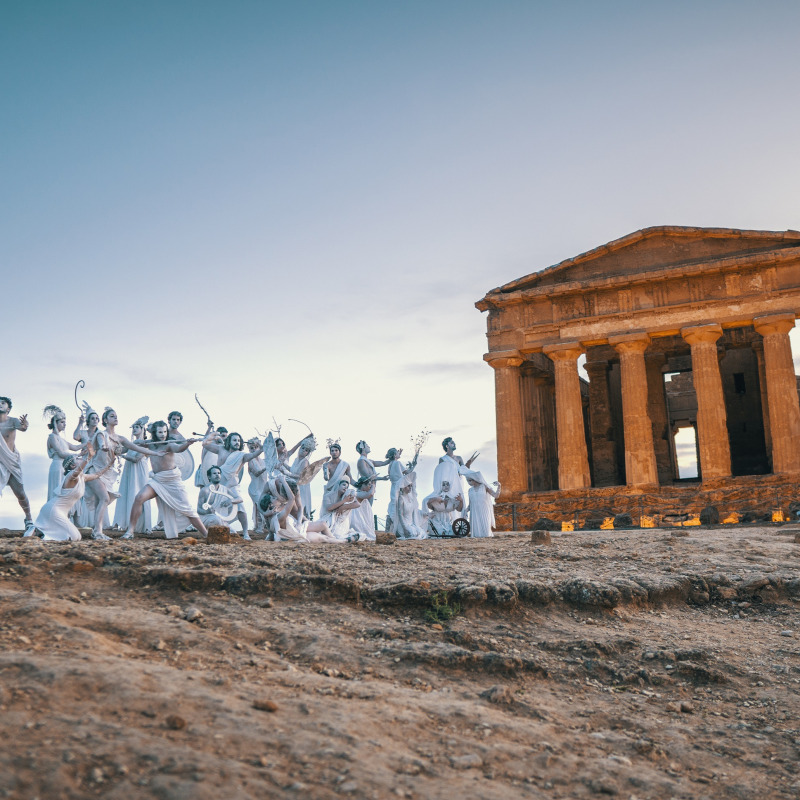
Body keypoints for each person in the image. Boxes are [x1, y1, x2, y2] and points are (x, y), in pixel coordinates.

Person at [126, 420, 208, 539]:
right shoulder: (151, 444)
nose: (163, 434)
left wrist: (187, 444)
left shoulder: (169, 444)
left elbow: (179, 448)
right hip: (157, 480)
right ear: (154, 432)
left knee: (187, 509)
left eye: (165, 431)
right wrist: (137, 441)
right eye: (160, 432)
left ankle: (206, 534)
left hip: (172, 480)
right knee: (139, 498)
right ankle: (130, 531)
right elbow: (136, 443)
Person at [34, 453, 114, 542]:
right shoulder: (71, 476)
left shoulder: (82, 477)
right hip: (53, 510)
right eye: (78, 458)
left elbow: (97, 475)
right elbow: (76, 472)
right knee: (75, 537)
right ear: (73, 465)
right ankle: (38, 531)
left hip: (60, 512)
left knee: (74, 537)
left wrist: (109, 464)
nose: (81, 458)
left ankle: (40, 532)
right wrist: (88, 457)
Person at [201, 431, 263, 540]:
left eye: (239, 441)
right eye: (234, 440)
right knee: (214, 509)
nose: (237, 442)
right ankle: (220, 529)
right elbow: (205, 444)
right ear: (229, 441)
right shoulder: (220, 449)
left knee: (240, 508)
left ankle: (245, 533)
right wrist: (213, 434)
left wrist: (260, 445)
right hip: (219, 484)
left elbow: (255, 454)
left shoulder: (241, 455)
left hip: (232, 484)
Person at [82, 407, 124, 540]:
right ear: (105, 420)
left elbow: (134, 446)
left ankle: (97, 531)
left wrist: (154, 451)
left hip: (106, 474)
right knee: (104, 498)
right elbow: (101, 443)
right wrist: (103, 447)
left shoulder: (118, 438)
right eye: (112, 416)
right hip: (94, 471)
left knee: (100, 501)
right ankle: (98, 532)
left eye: (116, 415)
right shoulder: (101, 434)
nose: (116, 418)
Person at [259, 474, 340, 543]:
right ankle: (271, 533)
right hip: (279, 512)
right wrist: (266, 513)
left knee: (306, 522)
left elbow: (300, 507)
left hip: (286, 510)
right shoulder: (271, 485)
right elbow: (260, 503)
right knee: (321, 528)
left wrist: (298, 523)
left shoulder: (295, 489)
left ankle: (308, 527)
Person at [0, 396, 35, 536]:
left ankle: (29, 520)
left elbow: (23, 428)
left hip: (12, 462)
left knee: (20, 493)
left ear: (8, 408)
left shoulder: (13, 421)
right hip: (0, 463)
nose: (0, 405)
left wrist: (25, 424)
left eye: (3, 403)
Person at [112, 416, 152, 534]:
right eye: (133, 427)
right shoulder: (131, 443)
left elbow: (136, 459)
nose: (134, 429)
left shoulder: (145, 444)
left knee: (139, 493)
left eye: (137, 427)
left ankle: (142, 525)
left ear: (142, 429)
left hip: (139, 472)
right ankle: (127, 523)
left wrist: (122, 456)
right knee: (128, 492)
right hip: (130, 470)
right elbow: (120, 450)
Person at [43, 406, 82, 501]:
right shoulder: (52, 437)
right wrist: (76, 456)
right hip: (57, 466)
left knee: (65, 492)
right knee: (57, 492)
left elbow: (75, 447)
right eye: (62, 422)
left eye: (65, 422)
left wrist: (88, 442)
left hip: (65, 466)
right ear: (55, 423)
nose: (64, 424)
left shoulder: (62, 439)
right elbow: (60, 453)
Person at [432, 437, 478, 501]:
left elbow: (464, 471)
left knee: (459, 500)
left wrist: (468, 464)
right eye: (451, 442)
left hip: (459, 483)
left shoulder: (459, 458)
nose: (454, 443)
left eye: (453, 442)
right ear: (447, 446)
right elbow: (441, 475)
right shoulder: (442, 459)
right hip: (448, 485)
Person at [385, 447, 417, 532]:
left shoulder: (391, 464)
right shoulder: (397, 463)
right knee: (400, 506)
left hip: (393, 487)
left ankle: (389, 528)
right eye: (398, 453)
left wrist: (399, 454)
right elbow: (407, 472)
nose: (399, 454)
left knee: (393, 506)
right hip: (399, 487)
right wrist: (414, 465)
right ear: (395, 455)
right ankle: (400, 528)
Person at [462, 469, 501, 538]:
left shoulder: (485, 487)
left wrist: (499, 486)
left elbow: (496, 496)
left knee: (486, 532)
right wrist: (466, 510)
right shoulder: (470, 490)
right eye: (467, 481)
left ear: (475, 479)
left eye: (470, 480)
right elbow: (471, 504)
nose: (468, 482)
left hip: (484, 511)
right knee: (477, 534)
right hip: (474, 513)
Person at [394, 472, 428, 540]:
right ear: (403, 487)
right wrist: (405, 528)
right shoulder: (401, 498)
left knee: (421, 533)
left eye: (411, 486)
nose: (410, 488)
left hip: (412, 524)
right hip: (404, 525)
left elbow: (415, 511)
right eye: (408, 486)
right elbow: (401, 515)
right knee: (413, 534)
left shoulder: (411, 498)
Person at [246, 437, 268, 534]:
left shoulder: (263, 461)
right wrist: (265, 468)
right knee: (260, 506)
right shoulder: (250, 460)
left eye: (256, 447)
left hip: (263, 487)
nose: (254, 449)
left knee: (260, 507)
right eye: (251, 448)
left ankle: (259, 526)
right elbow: (256, 473)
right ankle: (260, 527)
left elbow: (265, 448)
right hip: (254, 488)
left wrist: (259, 443)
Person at [350, 475, 377, 541]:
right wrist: (373, 485)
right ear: (363, 485)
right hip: (358, 519)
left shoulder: (362, 493)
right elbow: (370, 494)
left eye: (370, 485)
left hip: (362, 517)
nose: (370, 486)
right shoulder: (358, 493)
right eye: (368, 485)